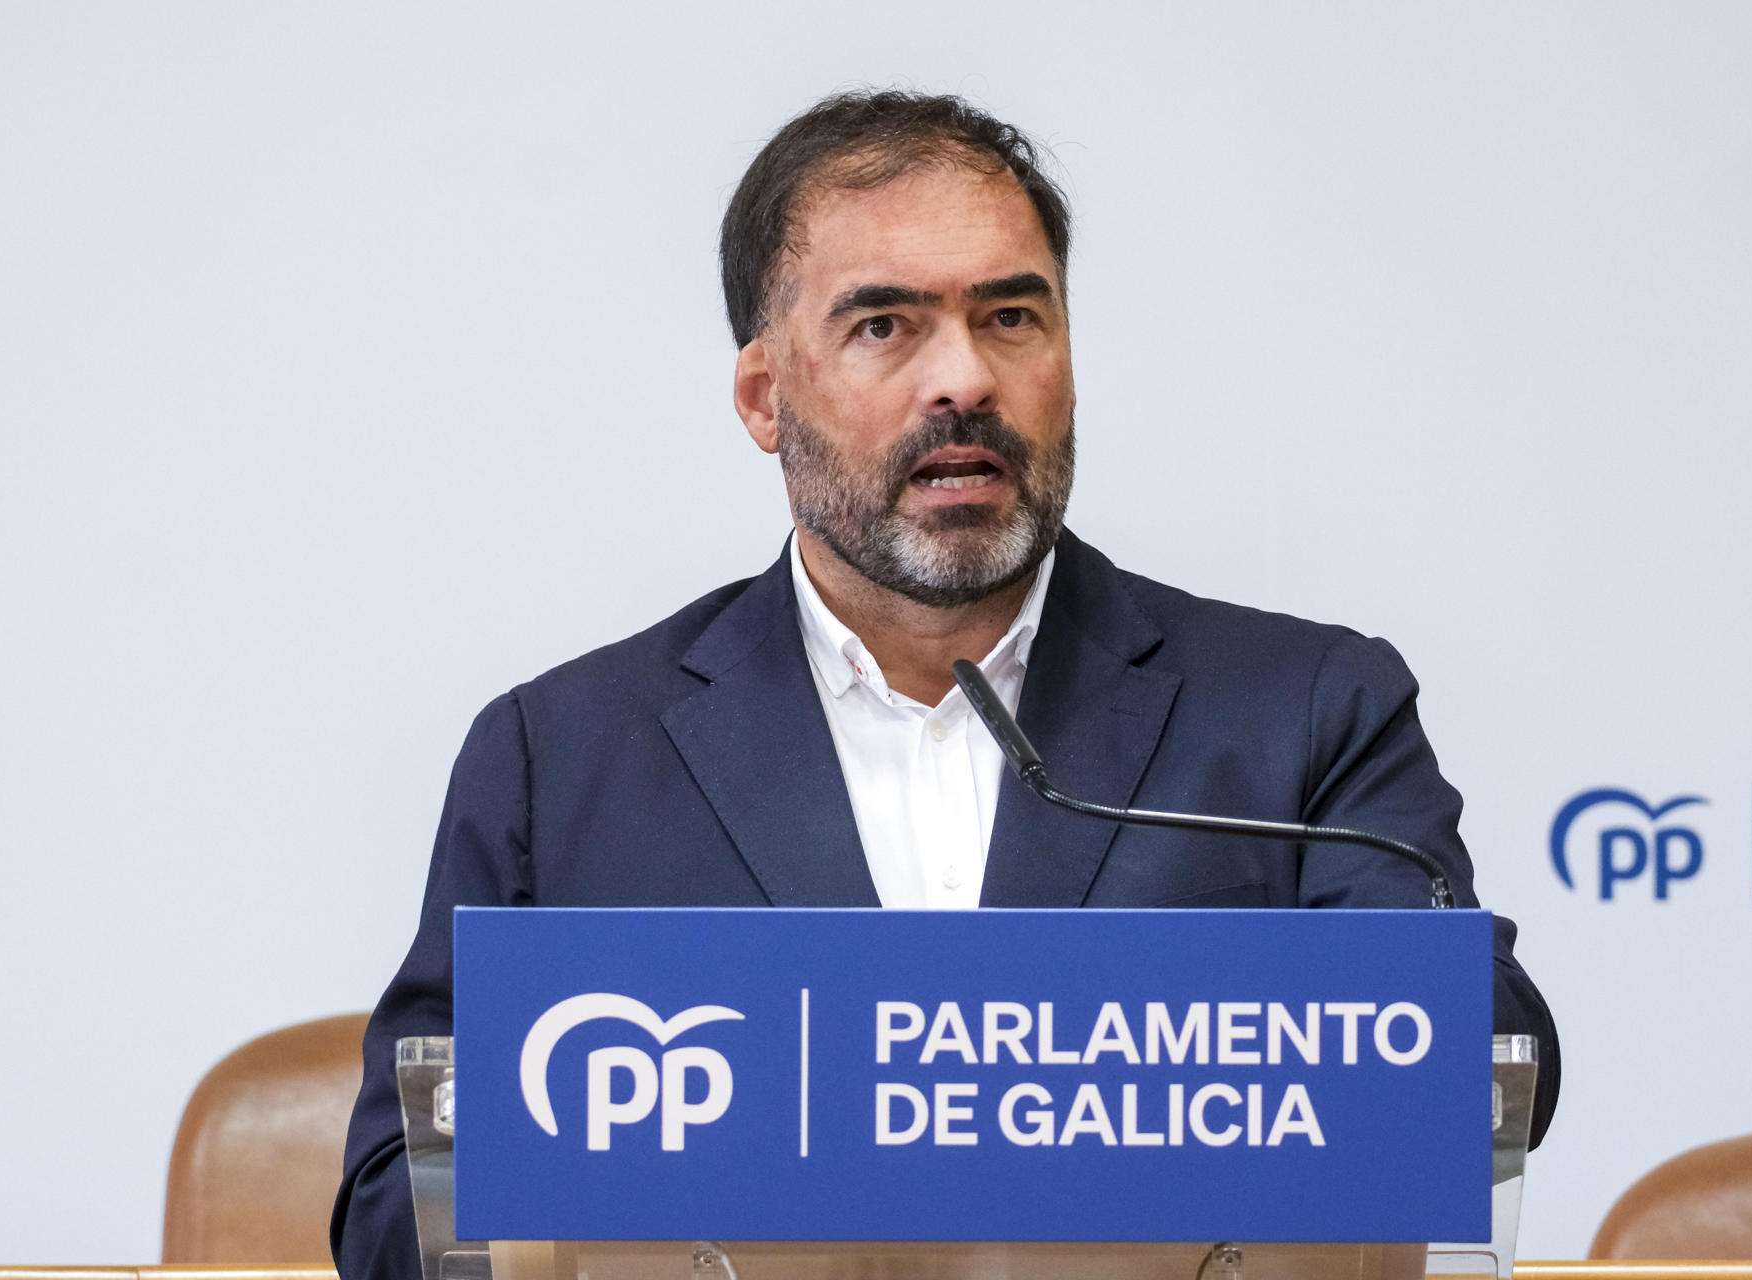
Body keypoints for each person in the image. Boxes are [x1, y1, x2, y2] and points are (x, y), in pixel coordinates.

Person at [332, 90, 1560, 1275]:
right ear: (765, 396)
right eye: (886, 325)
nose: (964, 380)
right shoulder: (563, 758)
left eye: (1011, 317)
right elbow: (400, 1203)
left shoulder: (1305, 711)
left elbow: (1475, 1062)